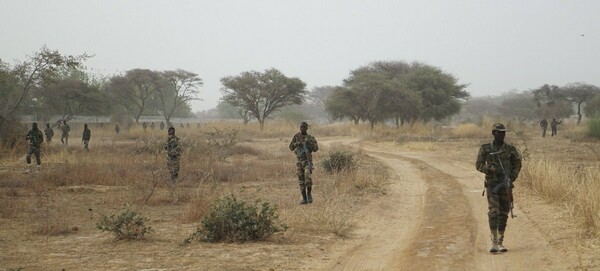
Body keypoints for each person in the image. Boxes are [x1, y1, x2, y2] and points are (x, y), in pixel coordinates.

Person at [476, 123, 522, 253]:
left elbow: (517, 163)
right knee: (494, 212)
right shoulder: (486, 148)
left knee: (503, 212)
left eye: (503, 132)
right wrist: (490, 168)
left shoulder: (510, 149)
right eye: (499, 132)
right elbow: (478, 165)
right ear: (493, 133)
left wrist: (512, 176)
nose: (502, 134)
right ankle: (494, 242)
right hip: (492, 184)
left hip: (505, 184)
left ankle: (501, 241)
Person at [289, 121, 319, 205]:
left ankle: (309, 194)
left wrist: (310, 144)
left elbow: (316, 149)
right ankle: (304, 199)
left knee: (307, 177)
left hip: (307, 161)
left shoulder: (310, 138)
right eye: (301, 127)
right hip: (299, 162)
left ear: (307, 128)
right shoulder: (296, 136)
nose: (302, 129)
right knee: (301, 181)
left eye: (304, 127)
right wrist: (297, 144)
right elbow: (290, 147)